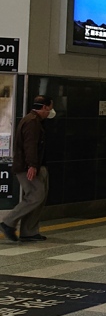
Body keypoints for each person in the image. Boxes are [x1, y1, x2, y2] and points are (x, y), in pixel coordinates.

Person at [1, 95, 55, 243]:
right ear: (44, 107)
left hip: (35, 165)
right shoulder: (32, 122)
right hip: (28, 167)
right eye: (50, 108)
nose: (51, 111)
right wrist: (32, 165)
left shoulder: (35, 120)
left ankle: (29, 231)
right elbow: (30, 145)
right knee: (35, 195)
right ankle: (8, 222)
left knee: (38, 197)